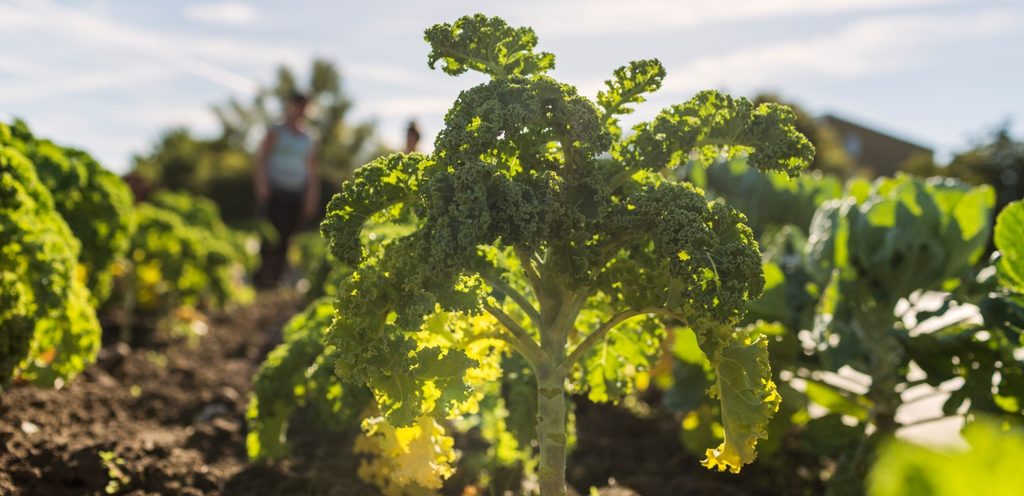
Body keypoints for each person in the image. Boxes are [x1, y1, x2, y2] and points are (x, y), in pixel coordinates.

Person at [253, 92, 320, 288]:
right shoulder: (277, 131)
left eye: (304, 106)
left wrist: (311, 195)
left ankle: (279, 277)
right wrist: (262, 183)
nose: (301, 110)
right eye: (298, 105)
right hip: (275, 190)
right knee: (270, 234)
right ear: (290, 106)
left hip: (295, 192)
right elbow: (262, 158)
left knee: (288, 236)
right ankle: (263, 276)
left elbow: (312, 169)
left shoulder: (309, 137)